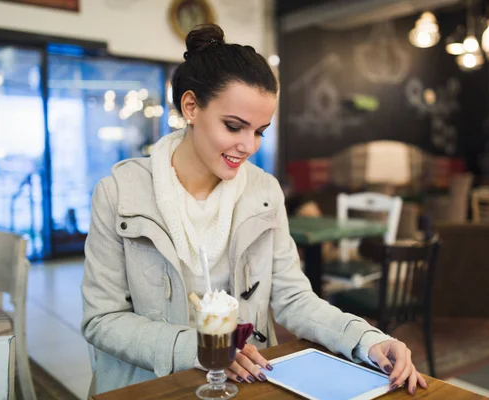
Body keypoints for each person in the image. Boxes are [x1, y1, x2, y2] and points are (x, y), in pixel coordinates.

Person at [81, 24, 428, 396]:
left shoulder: (263, 191)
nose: (248, 146)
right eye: (234, 126)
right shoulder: (121, 193)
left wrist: (366, 339)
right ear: (191, 107)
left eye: (260, 131)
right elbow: (103, 320)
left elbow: (294, 298)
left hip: (246, 384)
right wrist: (199, 348)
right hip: (153, 386)